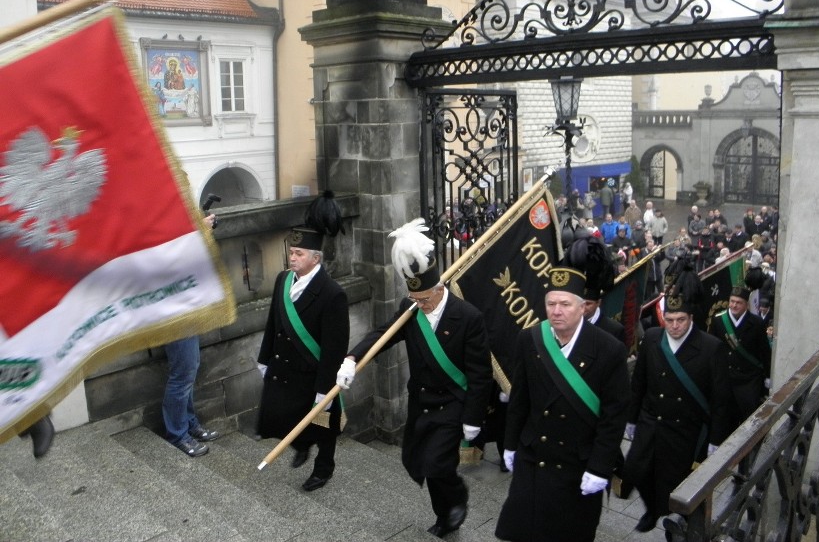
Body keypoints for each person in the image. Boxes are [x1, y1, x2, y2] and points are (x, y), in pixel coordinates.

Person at [336, 219, 490, 538]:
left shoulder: (468, 318)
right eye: (415, 299)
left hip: (452, 404)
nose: (420, 305)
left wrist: (473, 417)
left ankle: (456, 500)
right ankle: (444, 512)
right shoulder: (411, 309)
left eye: (425, 300)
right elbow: (382, 335)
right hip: (422, 402)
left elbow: (480, 374)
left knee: (436, 465)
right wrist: (352, 358)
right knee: (417, 462)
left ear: (439, 288)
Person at [495, 267, 630, 542]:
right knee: (524, 531)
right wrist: (510, 444)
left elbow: (613, 417)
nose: (556, 311)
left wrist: (600, 467)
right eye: (551, 303)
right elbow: (520, 399)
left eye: (565, 304)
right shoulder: (530, 339)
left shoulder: (609, 349)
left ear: (583, 308)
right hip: (535, 458)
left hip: (577, 466)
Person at [623, 282, 733, 533]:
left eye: (680, 320)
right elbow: (638, 381)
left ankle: (677, 527)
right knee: (636, 470)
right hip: (650, 421)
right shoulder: (652, 338)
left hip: (684, 428)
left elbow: (720, 399)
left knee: (673, 482)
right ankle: (652, 508)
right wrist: (631, 419)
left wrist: (716, 439)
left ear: (691, 318)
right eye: (669, 319)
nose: (674, 326)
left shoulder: (710, 347)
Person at [256, 192, 349, 491]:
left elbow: (335, 348)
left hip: (314, 373)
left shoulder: (333, 294)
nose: (291, 258)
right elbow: (273, 322)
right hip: (286, 368)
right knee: (281, 414)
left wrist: (326, 390)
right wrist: (264, 356)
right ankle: (300, 445)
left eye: (298, 254)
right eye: (291, 252)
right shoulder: (282, 280)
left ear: (316, 258)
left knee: (324, 424)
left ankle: (324, 469)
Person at [161, 211, 220, 457]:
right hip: (172, 304)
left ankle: (188, 423)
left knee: (190, 367)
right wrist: (201, 229)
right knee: (183, 371)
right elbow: (171, 253)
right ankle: (177, 433)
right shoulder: (156, 215)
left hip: (184, 301)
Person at [709, 286, 771, 431]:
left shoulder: (756, 323)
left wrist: (768, 376)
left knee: (748, 421)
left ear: (746, 305)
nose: (734, 305)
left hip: (748, 380)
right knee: (725, 419)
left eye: (738, 302)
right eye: (732, 301)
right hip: (726, 377)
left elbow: (764, 351)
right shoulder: (719, 321)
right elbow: (712, 351)